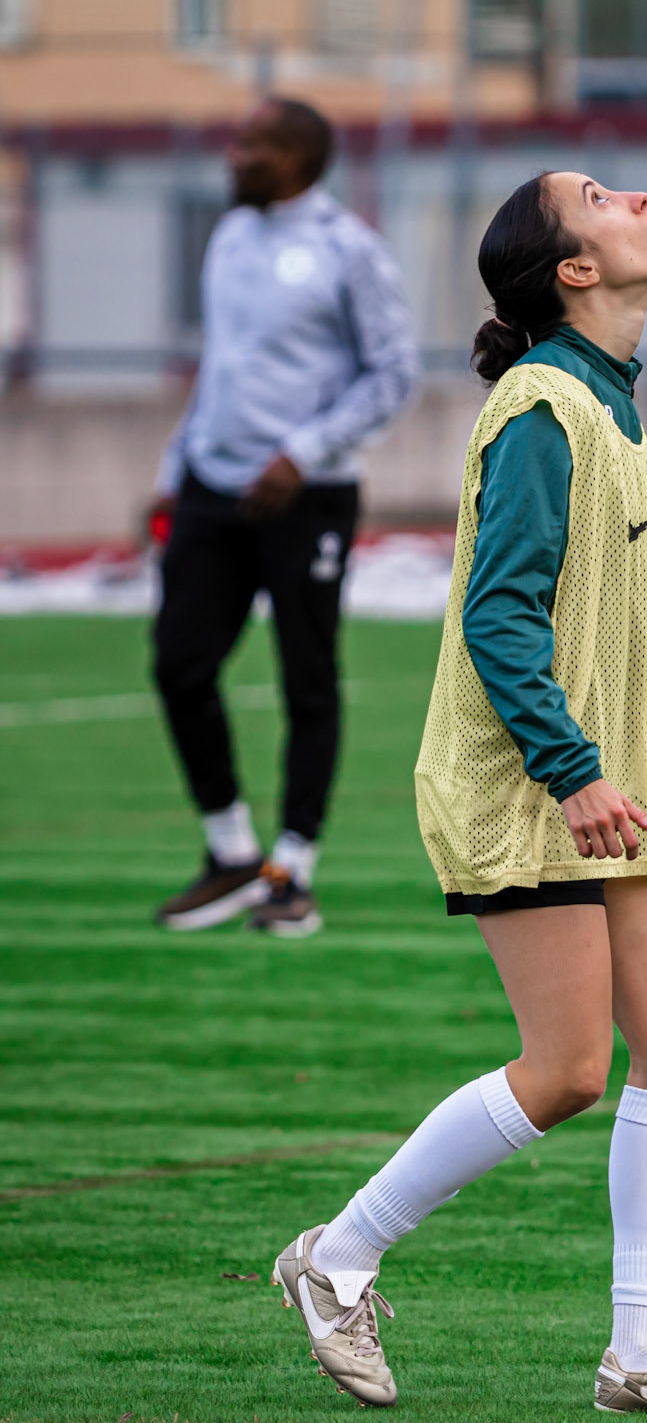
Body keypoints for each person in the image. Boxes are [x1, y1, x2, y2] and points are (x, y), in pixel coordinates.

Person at [272, 169, 647, 1419]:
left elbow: (613, 623)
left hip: (601, 782)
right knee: (565, 1067)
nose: (641, 195)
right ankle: (336, 1257)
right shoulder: (544, 404)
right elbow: (501, 621)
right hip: (528, 778)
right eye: (600, 195)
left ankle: (642, 1354)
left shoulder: (607, 402)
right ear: (575, 271)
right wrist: (574, 770)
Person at [149, 98, 422, 937]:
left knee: (306, 678)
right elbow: (222, 368)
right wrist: (173, 470)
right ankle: (229, 850)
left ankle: (290, 868)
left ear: (299, 157)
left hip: (306, 494)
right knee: (178, 665)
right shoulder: (230, 237)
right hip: (211, 484)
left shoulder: (349, 251)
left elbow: (392, 373)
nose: (233, 156)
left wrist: (302, 453)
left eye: (252, 145)